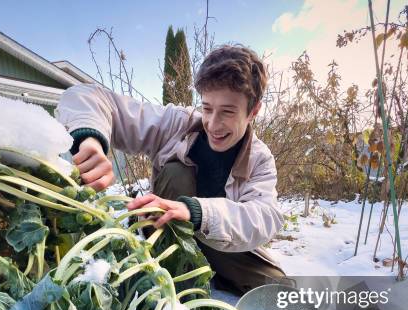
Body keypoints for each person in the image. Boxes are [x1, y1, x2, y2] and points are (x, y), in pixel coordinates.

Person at [56, 44, 286, 294]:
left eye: (228, 112)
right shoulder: (177, 124)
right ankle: (175, 289)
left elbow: (265, 216)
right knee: (176, 173)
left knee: (282, 291)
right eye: (207, 108)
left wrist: (197, 212)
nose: (213, 123)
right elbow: (84, 95)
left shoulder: (260, 159)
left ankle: (213, 273)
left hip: (220, 242)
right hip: (166, 232)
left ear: (253, 111)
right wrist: (91, 141)